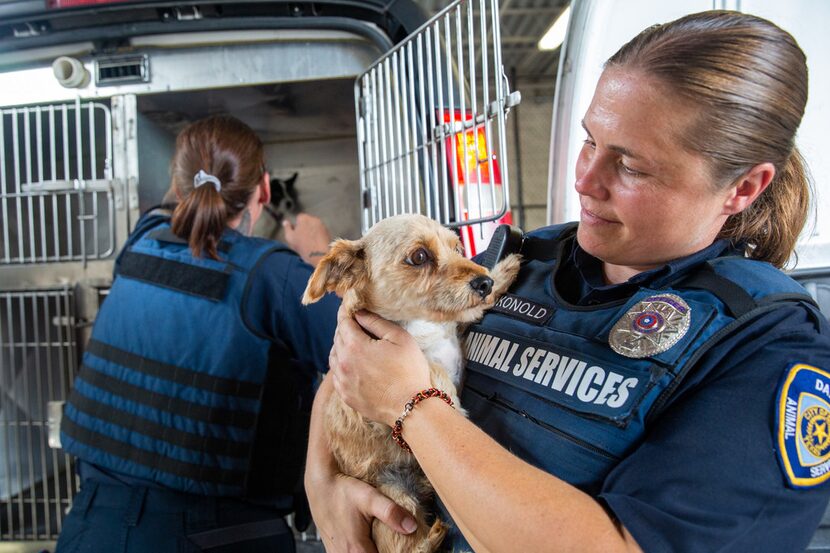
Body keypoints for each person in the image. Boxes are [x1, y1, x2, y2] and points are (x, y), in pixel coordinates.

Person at [306, 10, 830, 553]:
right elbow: (362, 357)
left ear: (743, 187)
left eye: (631, 166)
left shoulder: (767, 350)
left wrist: (414, 407)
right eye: (589, 141)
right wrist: (320, 481)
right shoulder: (530, 258)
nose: (584, 180)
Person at [55, 115, 339, 553]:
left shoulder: (141, 239)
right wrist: (320, 257)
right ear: (263, 190)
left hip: (90, 527)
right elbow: (361, 355)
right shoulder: (275, 276)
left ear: (177, 183)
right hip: (221, 535)